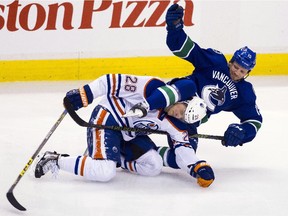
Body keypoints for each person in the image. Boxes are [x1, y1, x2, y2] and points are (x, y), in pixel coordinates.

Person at [34, 74, 215, 187]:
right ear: (184, 100)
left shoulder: (177, 122)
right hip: (108, 117)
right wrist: (85, 94)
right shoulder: (153, 87)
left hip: (129, 135)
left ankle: (116, 159)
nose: (178, 115)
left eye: (183, 117)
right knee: (105, 172)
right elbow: (111, 81)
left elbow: (184, 148)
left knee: (154, 165)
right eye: (182, 110)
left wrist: (198, 166)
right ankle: (55, 159)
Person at [128, 4, 263, 149]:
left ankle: (140, 154)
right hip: (172, 100)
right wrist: (175, 28)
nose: (236, 72)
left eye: (242, 71)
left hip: (188, 120)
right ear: (231, 62)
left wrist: (242, 132)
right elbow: (184, 49)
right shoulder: (215, 61)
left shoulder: (244, 92)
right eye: (236, 67)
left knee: (186, 154)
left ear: (247, 73)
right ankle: (137, 110)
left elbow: (254, 120)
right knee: (188, 86)